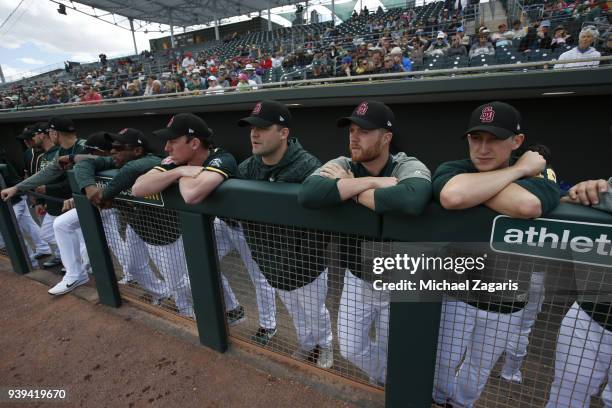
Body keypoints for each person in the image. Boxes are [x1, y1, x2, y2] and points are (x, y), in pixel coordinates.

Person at [431, 101, 561, 406]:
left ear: (516, 141)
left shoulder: (542, 179)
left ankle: (460, 405)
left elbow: (527, 206)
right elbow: (453, 195)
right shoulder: (455, 169)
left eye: (494, 139)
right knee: (442, 362)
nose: (483, 148)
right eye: (476, 138)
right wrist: (520, 170)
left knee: (477, 370)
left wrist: (480, 192)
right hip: (457, 293)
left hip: (507, 299)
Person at [299, 100, 432, 385]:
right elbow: (308, 193)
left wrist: (348, 190)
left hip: (400, 278)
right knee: (349, 347)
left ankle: (389, 388)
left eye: (364, 131)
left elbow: (412, 198)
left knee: (394, 346)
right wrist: (373, 185)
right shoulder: (344, 164)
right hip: (357, 277)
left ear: (386, 138)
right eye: (351, 130)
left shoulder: (405, 164)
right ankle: (386, 379)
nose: (354, 137)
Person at [237, 100, 333, 369]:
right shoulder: (247, 168)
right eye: (251, 128)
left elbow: (323, 224)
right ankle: (306, 344)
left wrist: (303, 258)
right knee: (295, 313)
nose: (254, 133)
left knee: (315, 312)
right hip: (271, 262)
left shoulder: (308, 165)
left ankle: (325, 345)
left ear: (284, 133)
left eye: (263, 127)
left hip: (306, 265)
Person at [131, 114, 245, 322]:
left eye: (173, 141)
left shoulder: (222, 158)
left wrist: (180, 172)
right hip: (221, 223)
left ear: (194, 143)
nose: (166, 147)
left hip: (247, 228)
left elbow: (191, 195)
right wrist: (181, 169)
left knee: (262, 280)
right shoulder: (178, 162)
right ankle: (233, 310)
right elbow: (138, 188)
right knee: (198, 265)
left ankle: (270, 326)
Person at [545, 177, 612, 407]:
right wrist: (585, 192)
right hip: (591, 312)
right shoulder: (604, 189)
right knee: (565, 398)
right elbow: (572, 198)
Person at [1, 117, 87, 268]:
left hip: (103, 202)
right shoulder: (60, 152)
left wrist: (75, 158)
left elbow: (104, 162)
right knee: (63, 231)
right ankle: (78, 267)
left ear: (55, 133)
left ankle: (82, 267)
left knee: (105, 241)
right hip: (80, 201)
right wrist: (17, 188)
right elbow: (46, 173)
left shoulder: (83, 146)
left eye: (50, 132)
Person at [46, 131, 114, 295]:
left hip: (119, 210)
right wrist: (76, 197)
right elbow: (87, 166)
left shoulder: (115, 160)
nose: (89, 154)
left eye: (93, 151)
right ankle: (75, 274)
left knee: (130, 259)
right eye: (88, 151)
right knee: (61, 224)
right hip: (97, 205)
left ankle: (156, 289)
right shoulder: (89, 161)